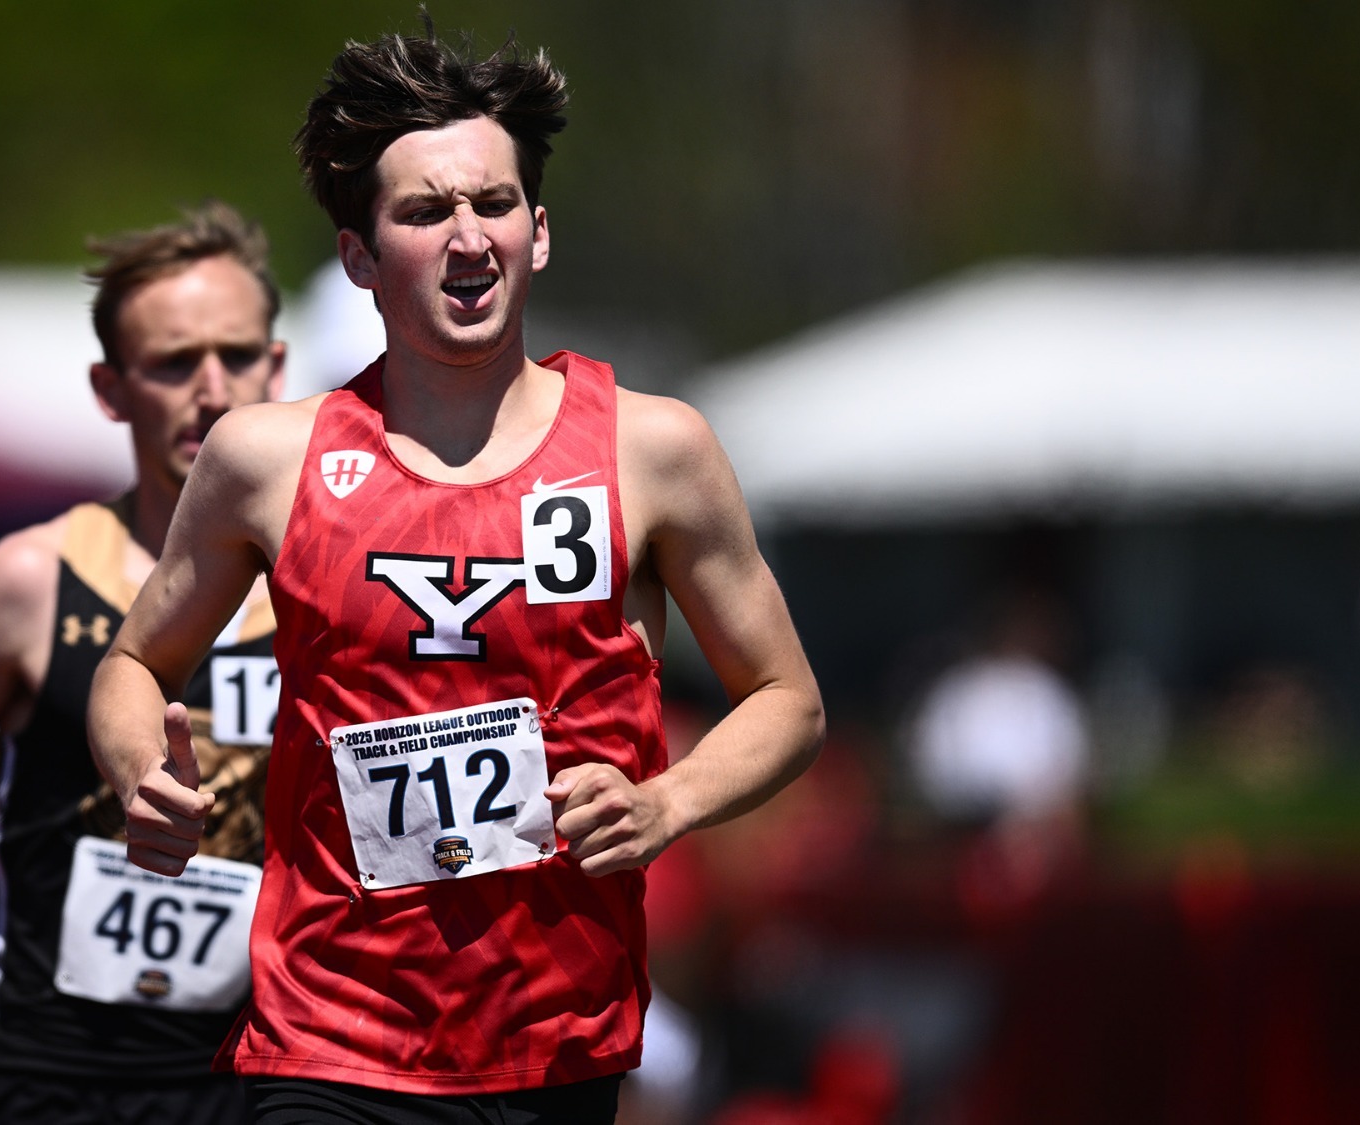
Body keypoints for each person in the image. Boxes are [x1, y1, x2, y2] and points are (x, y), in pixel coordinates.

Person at [87, 26, 825, 1124]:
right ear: (358, 255)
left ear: (538, 233)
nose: (465, 236)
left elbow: (789, 700)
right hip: (327, 1035)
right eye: (424, 213)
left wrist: (667, 803)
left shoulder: (651, 450)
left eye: (490, 204)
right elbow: (134, 663)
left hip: (554, 1038)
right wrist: (142, 774)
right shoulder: (263, 458)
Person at [0, 201, 286, 1125]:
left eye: (237, 355)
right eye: (172, 362)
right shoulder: (31, 582)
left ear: (277, 365)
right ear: (110, 389)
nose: (211, 388)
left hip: (275, 1079)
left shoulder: (338, 581)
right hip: (59, 1081)